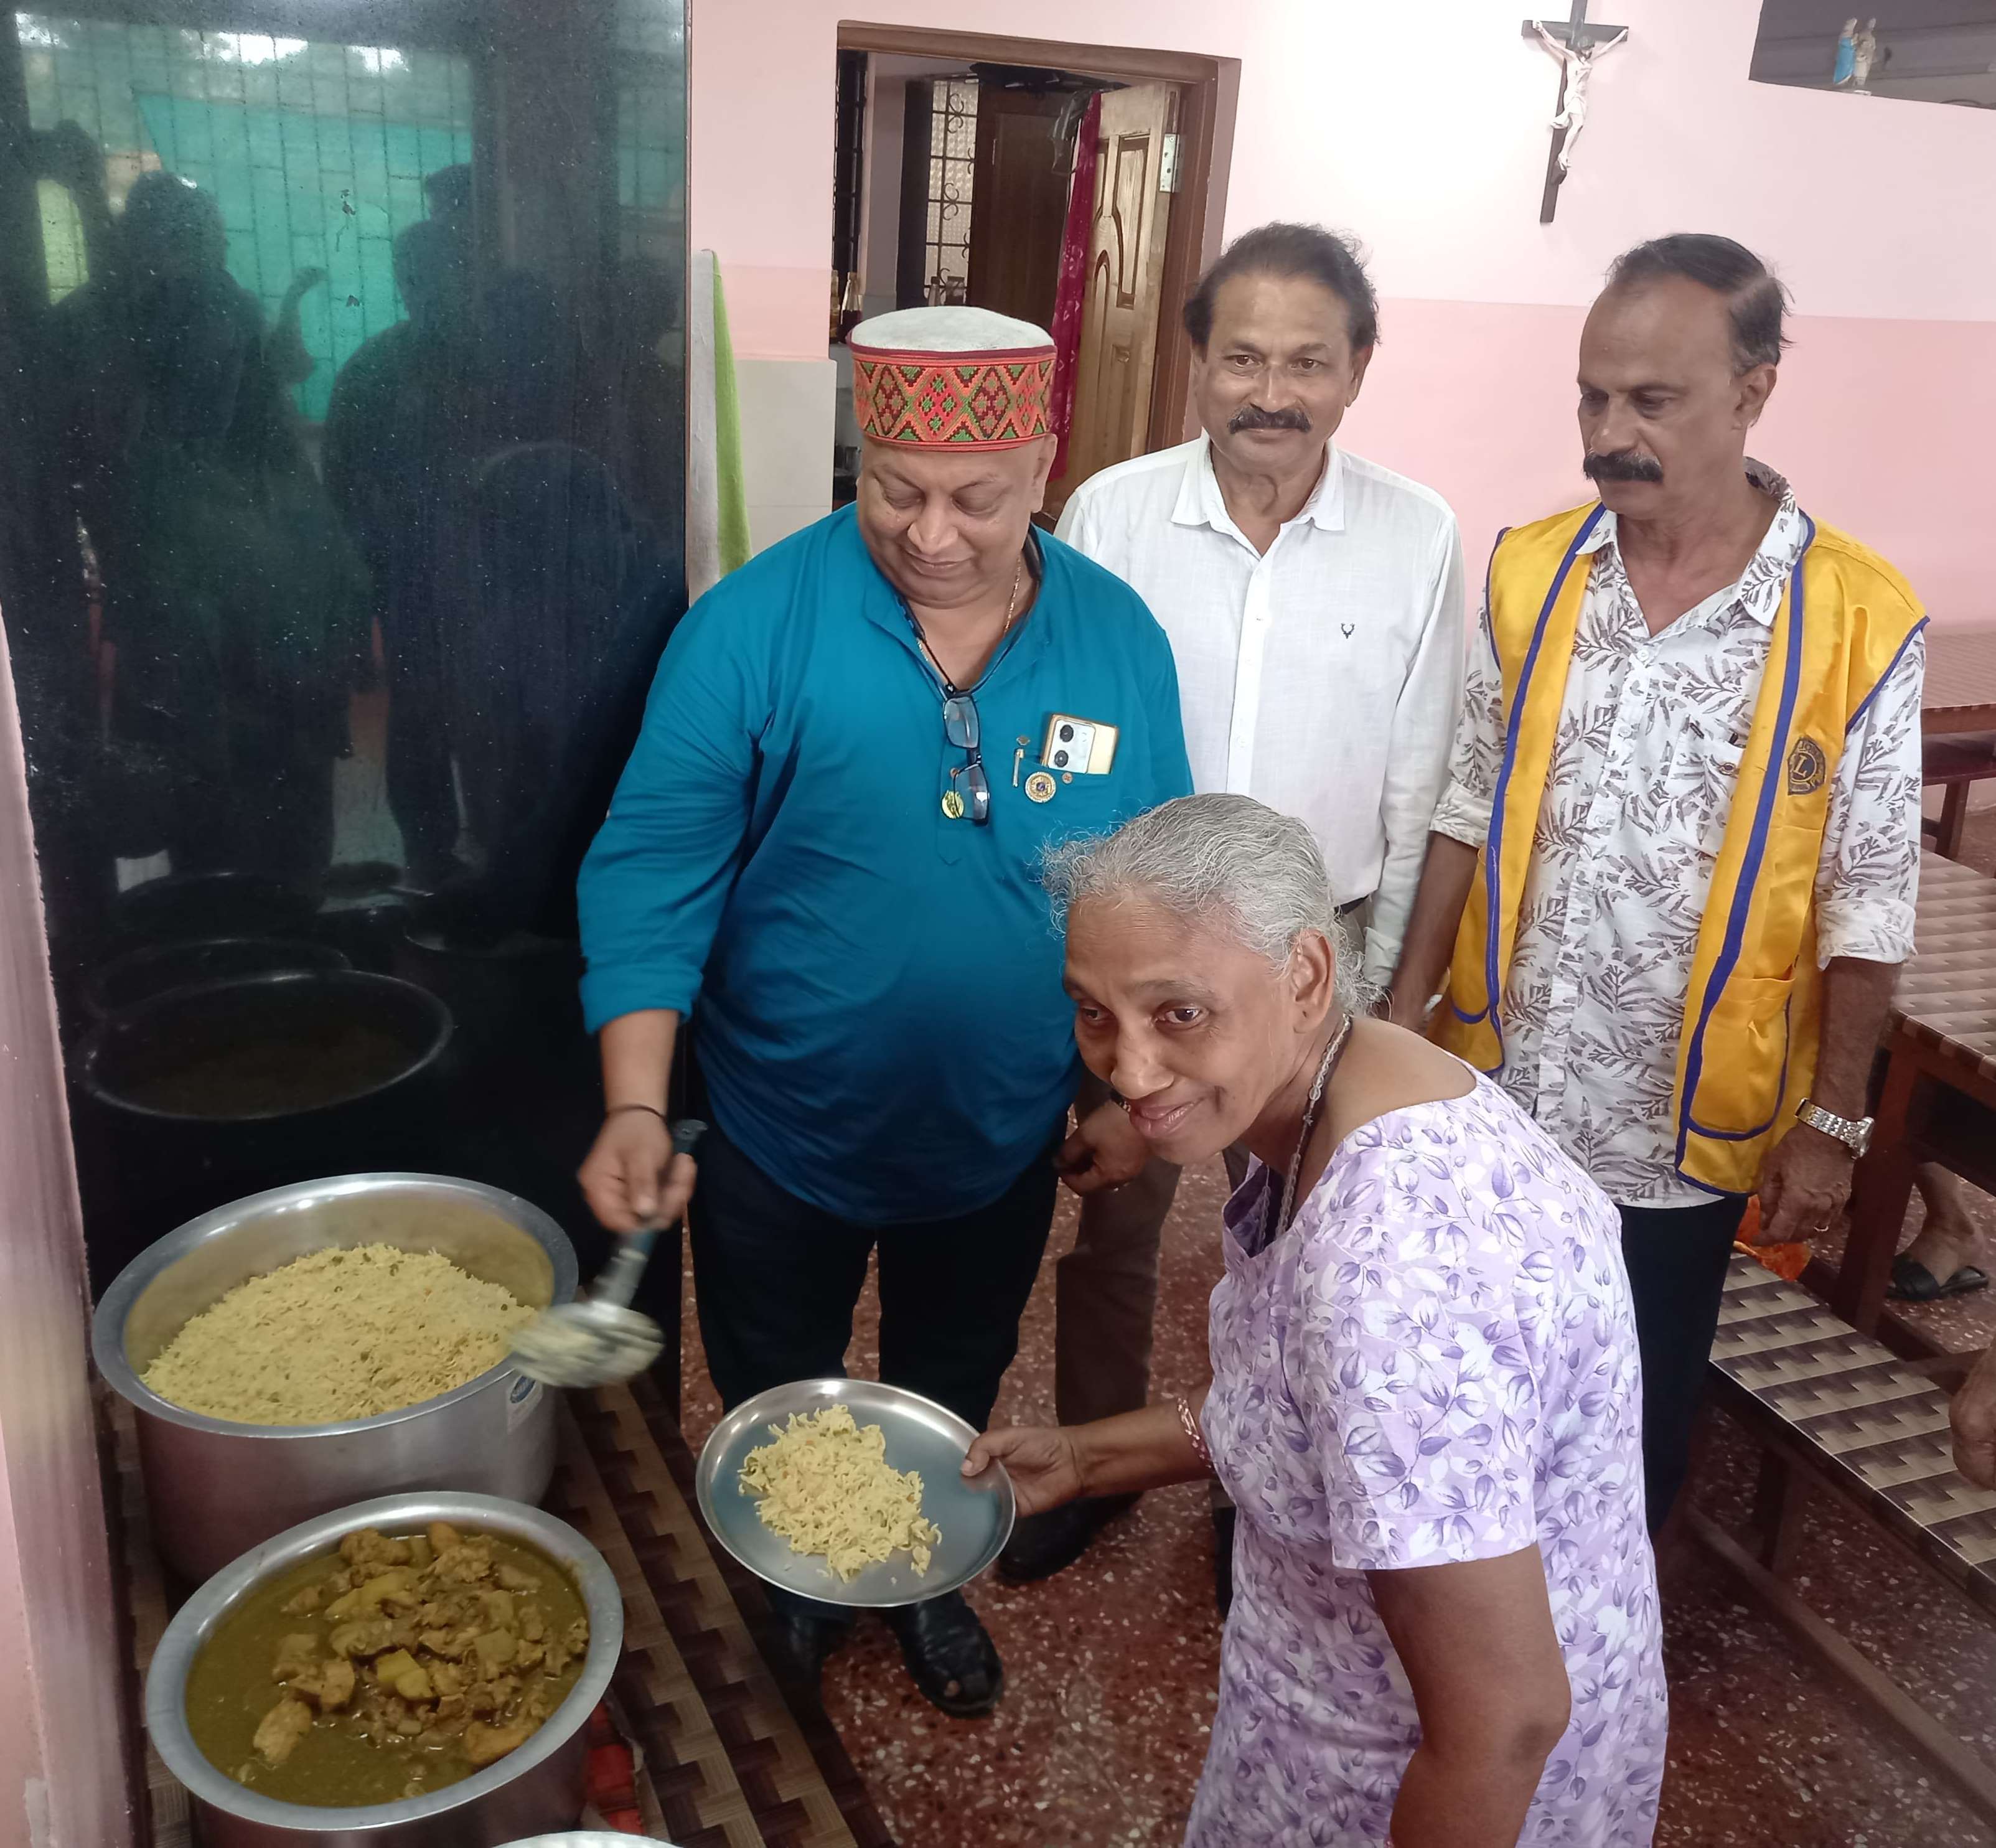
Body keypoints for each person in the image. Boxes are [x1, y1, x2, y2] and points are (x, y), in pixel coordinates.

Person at [574, 306, 1192, 1716]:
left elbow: (1152, 887)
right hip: (778, 1126)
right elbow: (654, 872)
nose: (929, 533)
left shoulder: (1116, 640)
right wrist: (630, 1097)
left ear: (1043, 462)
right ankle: (797, 1584)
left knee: (947, 1387)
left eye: (975, 497)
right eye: (891, 487)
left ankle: (917, 1583)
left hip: (994, 1135)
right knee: (776, 1381)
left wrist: (1121, 1092)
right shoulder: (751, 627)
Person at [967, 793, 1666, 1847]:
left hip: (1412, 1786)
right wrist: (1081, 1456)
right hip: (1329, 1725)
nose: (1129, 1069)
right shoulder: (1352, 1082)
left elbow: (1502, 1723)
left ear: (1305, 974)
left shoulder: (1397, 1273)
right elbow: (1300, 1410)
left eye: (1179, 1013)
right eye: (1095, 1013)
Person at [1387, 234, 1927, 1534]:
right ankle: (1445, 1635)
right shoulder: (1534, 569)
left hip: (1675, 1124)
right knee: (1460, 1383)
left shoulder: (1852, 614)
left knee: (1625, 1431)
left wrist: (1834, 1122)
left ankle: (1578, 1687)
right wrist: (1397, 1012)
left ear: (1751, 391)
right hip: (1500, 1083)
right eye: (1590, 395)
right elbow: (1467, 796)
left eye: (1649, 400)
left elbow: (1866, 889)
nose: (1606, 430)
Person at [1014, 224, 1467, 1582]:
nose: (1271, 393)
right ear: (1196, 362)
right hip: (1140, 956)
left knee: (1304, 1246)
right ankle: (1095, 1462)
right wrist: (1093, 1010)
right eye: (1242, 358)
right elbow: (1065, 744)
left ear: (1356, 372)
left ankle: (1260, 1494)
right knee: (1116, 1217)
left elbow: (1421, 766)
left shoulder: (1416, 534)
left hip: (1309, 954)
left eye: (1306, 364)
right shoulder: (1110, 513)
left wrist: (1382, 989)